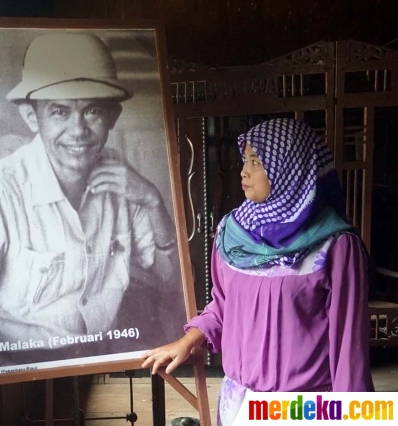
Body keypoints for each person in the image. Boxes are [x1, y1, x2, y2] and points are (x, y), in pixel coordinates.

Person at [0, 33, 182, 374]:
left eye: (92, 111)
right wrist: (21, 381)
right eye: (60, 112)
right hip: (13, 369)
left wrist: (153, 200)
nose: (79, 131)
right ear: (32, 118)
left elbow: (169, 284)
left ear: (112, 117)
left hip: (100, 361)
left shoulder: (122, 179)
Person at [141, 118, 374, 425]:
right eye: (244, 160)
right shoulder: (231, 233)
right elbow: (223, 306)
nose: (244, 171)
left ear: (289, 167)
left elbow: (349, 349)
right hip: (238, 402)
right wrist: (187, 341)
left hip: (304, 408)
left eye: (256, 161)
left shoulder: (335, 245)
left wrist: (357, 417)